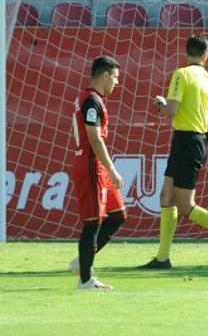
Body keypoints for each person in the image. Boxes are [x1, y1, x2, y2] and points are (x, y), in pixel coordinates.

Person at [140, 35, 208, 270]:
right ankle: (162, 258)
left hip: (188, 142)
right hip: (191, 141)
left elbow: (170, 111)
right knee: (165, 198)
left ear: (186, 52)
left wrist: (160, 103)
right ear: (206, 55)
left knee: (186, 206)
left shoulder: (182, 74)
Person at [70, 56, 126, 289]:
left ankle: (82, 262)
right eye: (115, 78)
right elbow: (94, 139)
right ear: (105, 76)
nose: (116, 83)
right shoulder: (91, 101)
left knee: (118, 215)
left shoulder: (93, 99)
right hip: (92, 166)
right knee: (92, 222)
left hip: (98, 167)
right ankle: (85, 280)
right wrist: (112, 169)